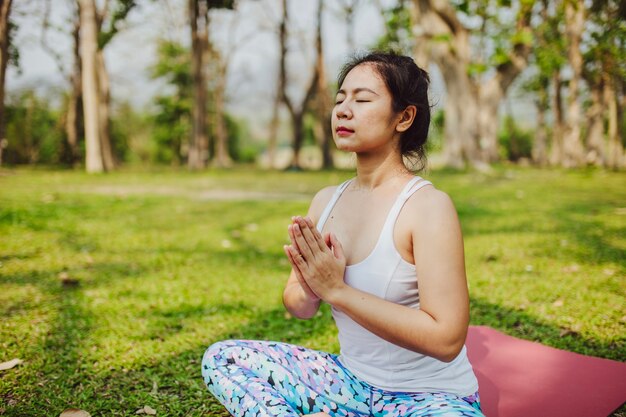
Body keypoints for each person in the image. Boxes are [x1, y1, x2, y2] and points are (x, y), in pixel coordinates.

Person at [201, 51, 483, 417]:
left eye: (362, 99)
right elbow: (300, 307)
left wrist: (338, 290)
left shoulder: (427, 207)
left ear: (404, 117)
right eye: (340, 99)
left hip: (429, 397)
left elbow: (446, 339)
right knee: (223, 359)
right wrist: (310, 282)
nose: (343, 110)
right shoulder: (325, 201)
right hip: (349, 384)